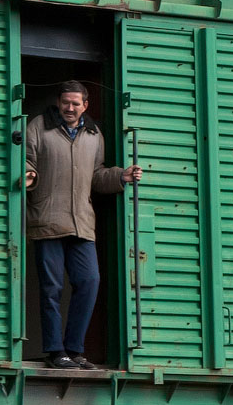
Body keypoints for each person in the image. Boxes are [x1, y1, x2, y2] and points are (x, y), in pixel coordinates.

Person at [24, 81, 143, 369]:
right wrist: (28, 174)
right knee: (51, 288)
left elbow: (97, 175)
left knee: (89, 282)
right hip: (47, 219)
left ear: (85, 105)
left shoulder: (93, 134)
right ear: (58, 101)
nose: (70, 107)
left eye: (76, 103)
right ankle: (56, 351)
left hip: (82, 223)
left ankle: (75, 350)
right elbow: (26, 161)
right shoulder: (39, 126)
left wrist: (121, 176)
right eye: (66, 102)